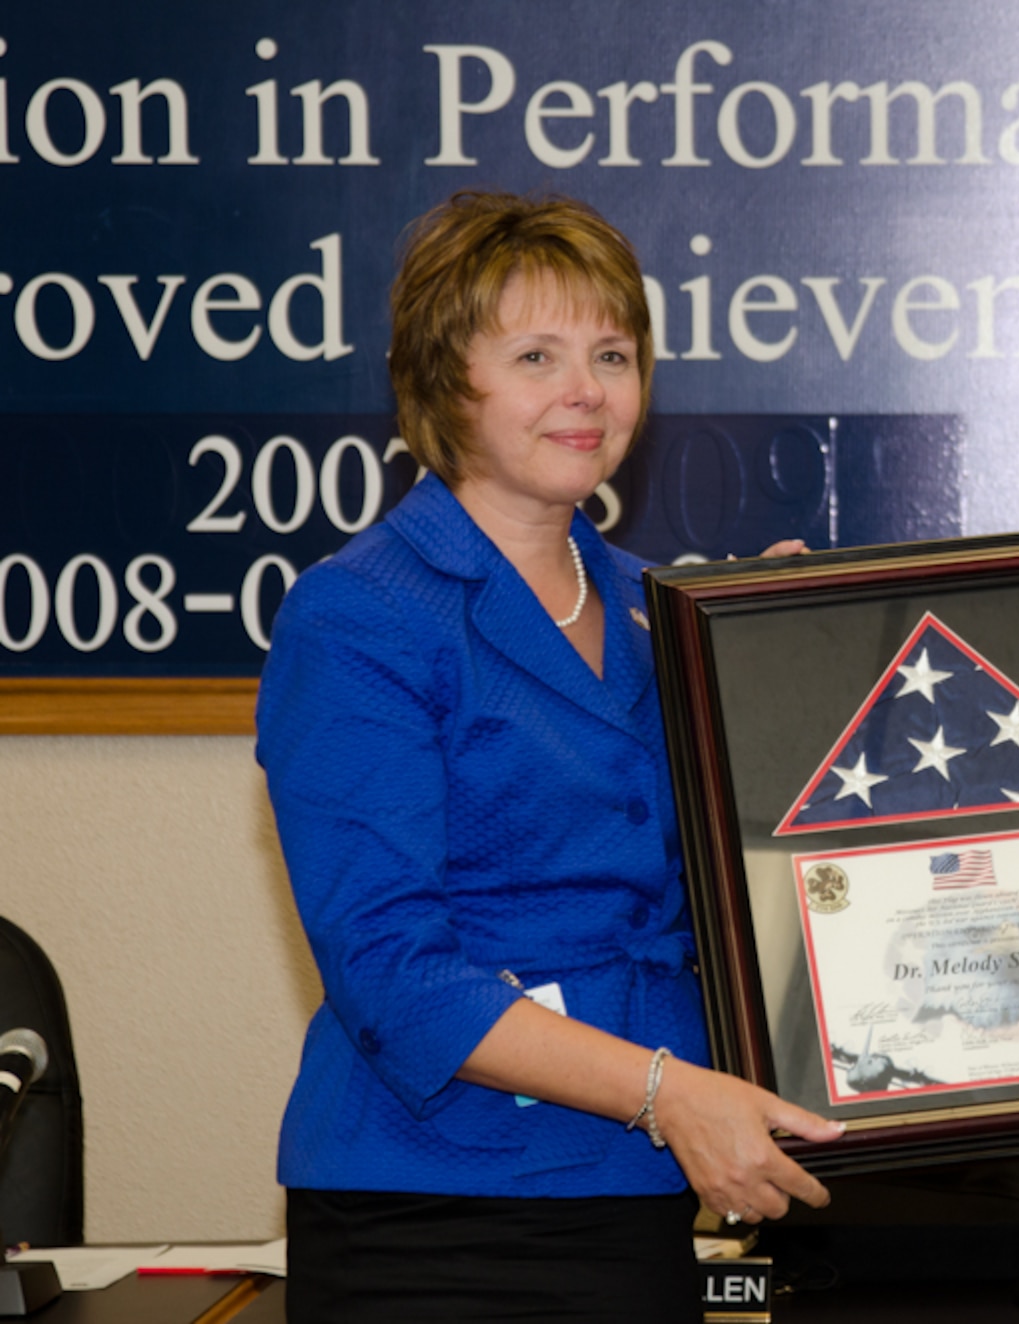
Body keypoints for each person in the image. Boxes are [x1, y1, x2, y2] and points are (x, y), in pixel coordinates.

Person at [256, 191, 842, 1322]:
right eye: (536, 354)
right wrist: (668, 1093)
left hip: (632, 1193)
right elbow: (390, 970)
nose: (587, 390)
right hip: (436, 1215)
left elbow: (728, 891)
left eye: (612, 353)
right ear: (444, 379)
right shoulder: (358, 615)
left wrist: (783, 668)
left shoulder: (658, 608)